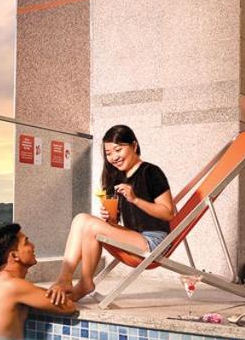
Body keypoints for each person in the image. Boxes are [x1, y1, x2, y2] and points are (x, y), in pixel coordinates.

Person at [52, 124, 175, 301]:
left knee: (90, 225)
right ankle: (64, 279)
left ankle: (86, 282)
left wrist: (135, 199)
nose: (113, 157)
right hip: (133, 237)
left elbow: (168, 213)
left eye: (118, 150)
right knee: (80, 219)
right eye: (108, 153)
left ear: (134, 146)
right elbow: (116, 222)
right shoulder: (116, 177)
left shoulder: (151, 172)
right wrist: (110, 218)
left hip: (154, 241)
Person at [0, 223, 76, 339]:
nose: (32, 245)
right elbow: (69, 307)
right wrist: (59, 287)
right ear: (14, 256)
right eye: (26, 242)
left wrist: (57, 290)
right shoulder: (13, 286)